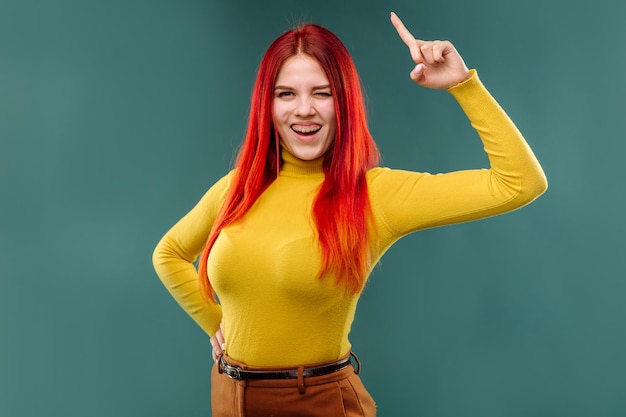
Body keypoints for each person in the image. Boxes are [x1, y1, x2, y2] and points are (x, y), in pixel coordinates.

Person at [152, 12, 547, 417]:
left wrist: (463, 85)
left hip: (317, 402)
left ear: (344, 102)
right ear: (266, 105)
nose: (303, 110)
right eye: (286, 94)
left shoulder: (374, 195)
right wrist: (215, 322)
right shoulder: (238, 186)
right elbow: (168, 253)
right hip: (228, 396)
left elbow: (519, 183)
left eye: (321, 93)